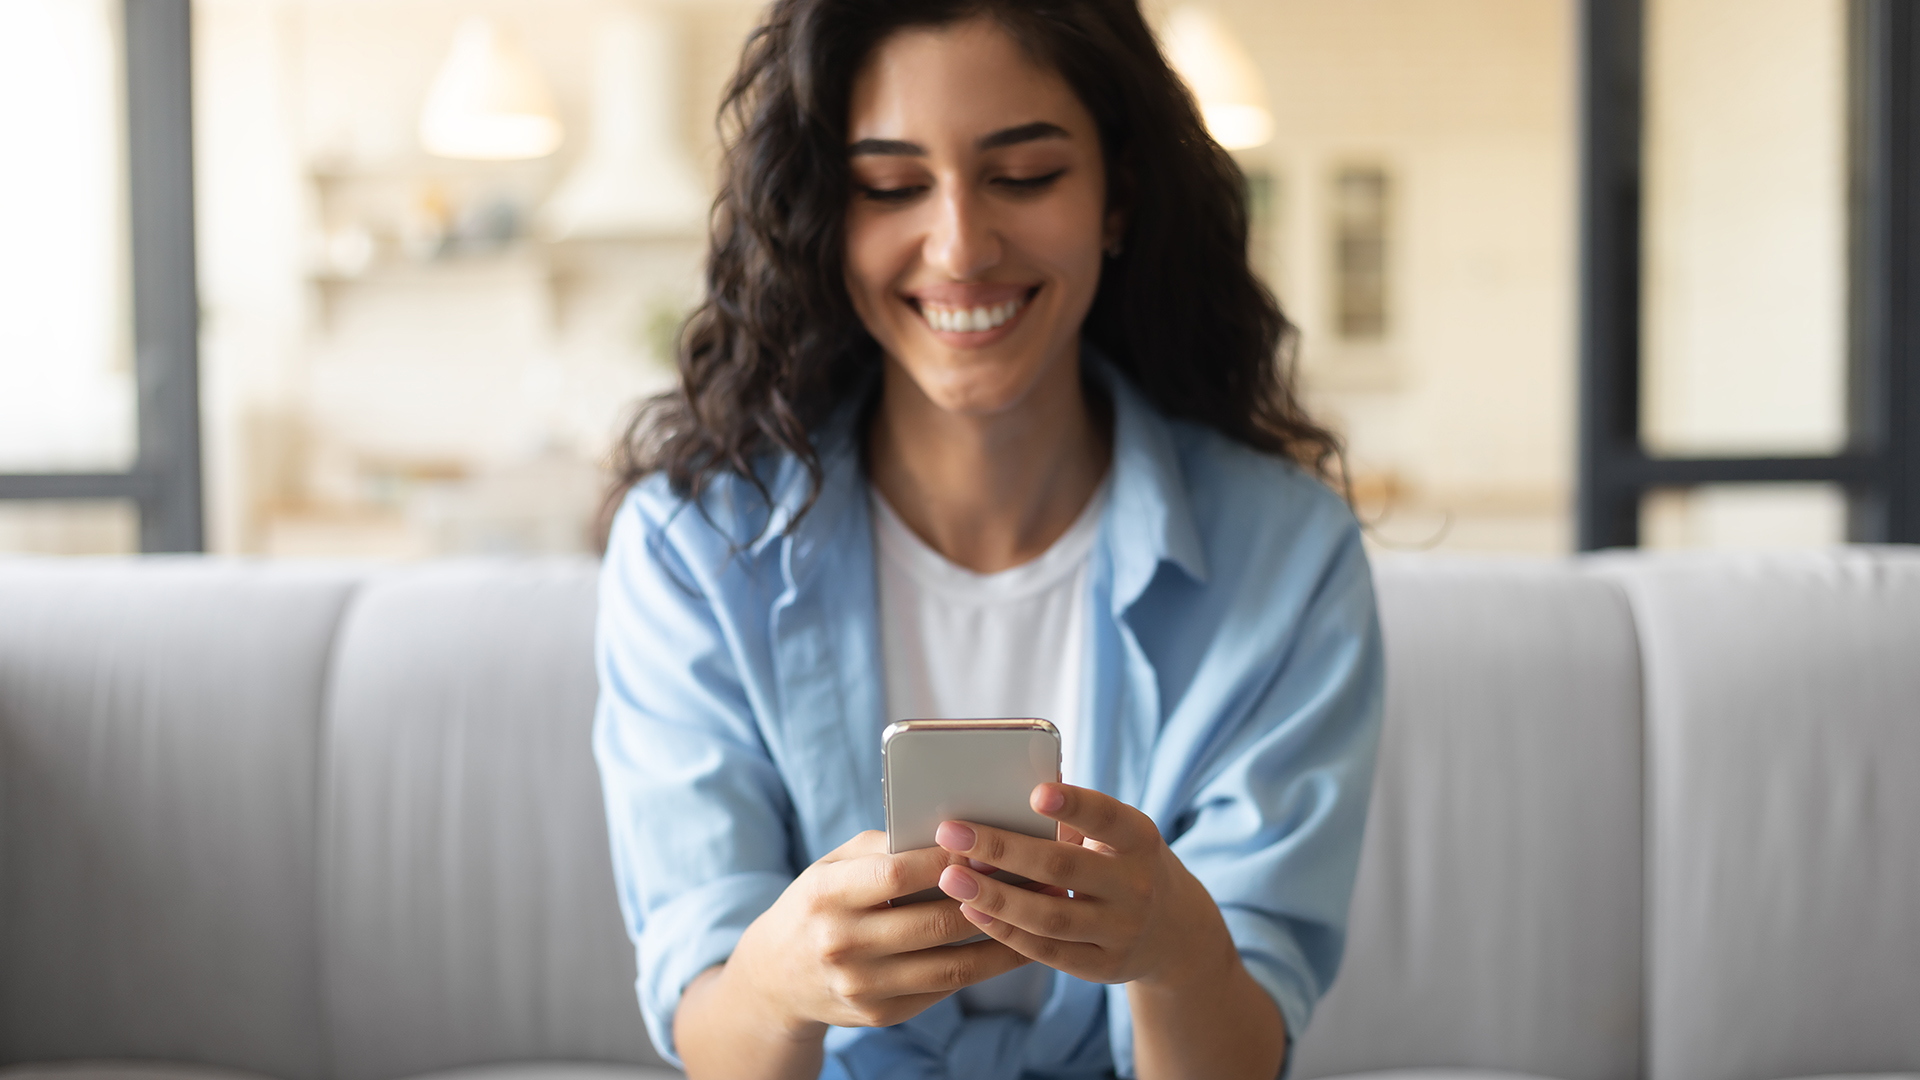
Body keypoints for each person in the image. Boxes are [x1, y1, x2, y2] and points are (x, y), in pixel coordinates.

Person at [592, 1, 1383, 1077]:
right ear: (827, 214)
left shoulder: (1290, 560)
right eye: (889, 186)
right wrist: (779, 983)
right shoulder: (690, 553)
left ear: (1120, 197)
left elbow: (1237, 1049)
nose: (960, 245)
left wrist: (1176, 953)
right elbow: (715, 1035)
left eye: (1024, 176)